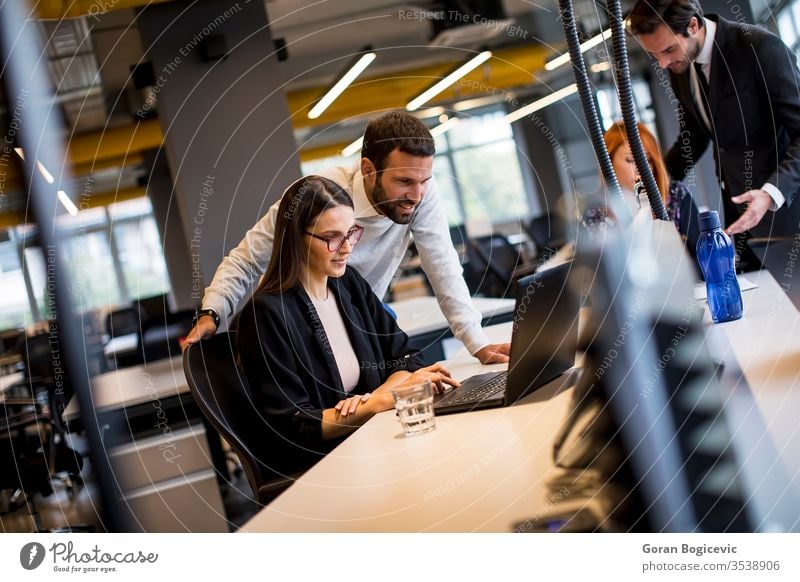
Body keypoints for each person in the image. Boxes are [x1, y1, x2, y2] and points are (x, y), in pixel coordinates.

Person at [187, 111, 510, 364]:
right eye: (404, 181)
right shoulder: (319, 194)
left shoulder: (421, 191)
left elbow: (441, 260)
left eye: (424, 180)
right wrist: (212, 312)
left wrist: (476, 342)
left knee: (404, 375)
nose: (417, 194)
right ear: (368, 169)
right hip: (299, 324)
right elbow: (247, 259)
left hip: (362, 315)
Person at [237, 176, 460, 477]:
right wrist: (379, 402)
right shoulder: (267, 313)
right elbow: (294, 426)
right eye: (332, 237)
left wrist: (378, 397)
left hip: (372, 445)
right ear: (296, 237)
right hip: (328, 469)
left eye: (351, 233)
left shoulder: (348, 284)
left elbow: (405, 357)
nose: (346, 248)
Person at [629, 0, 800, 250]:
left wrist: (770, 192)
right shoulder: (680, 66)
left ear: (693, 25)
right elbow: (694, 137)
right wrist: (654, 182)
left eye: (668, 50)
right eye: (655, 56)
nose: (663, 64)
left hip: (787, 215)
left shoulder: (760, 48)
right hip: (740, 220)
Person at [604, 121, 700, 255]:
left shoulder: (677, 195)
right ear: (608, 162)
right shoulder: (598, 214)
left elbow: (702, 258)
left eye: (648, 160)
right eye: (631, 160)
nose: (641, 169)